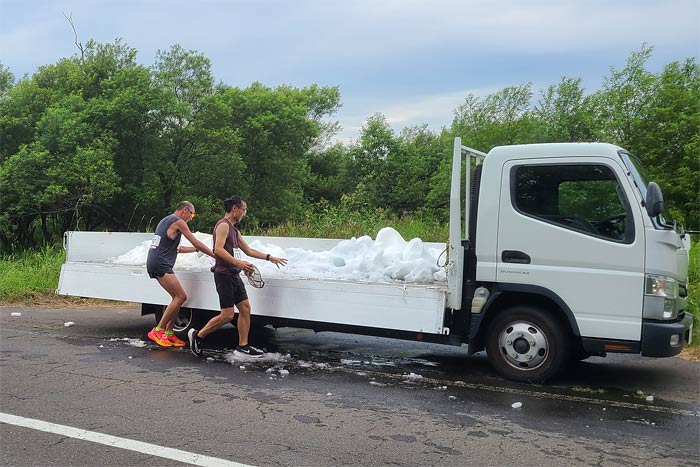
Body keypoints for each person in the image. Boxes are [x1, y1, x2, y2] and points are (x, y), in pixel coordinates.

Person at [188, 195, 287, 358]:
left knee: (245, 309)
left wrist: (270, 257)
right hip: (224, 275)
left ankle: (243, 346)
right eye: (244, 210)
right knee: (227, 315)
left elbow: (249, 251)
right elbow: (218, 250)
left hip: (234, 275)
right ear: (235, 208)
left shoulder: (234, 230)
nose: (244, 213)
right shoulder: (223, 225)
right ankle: (198, 336)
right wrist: (239, 264)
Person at [146, 201, 215, 347]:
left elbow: (178, 248)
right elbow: (196, 242)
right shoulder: (178, 221)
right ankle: (158, 330)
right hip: (160, 264)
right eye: (192, 214)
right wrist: (215, 255)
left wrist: (195, 251)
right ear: (185, 210)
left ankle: (169, 333)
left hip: (156, 261)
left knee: (176, 298)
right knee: (181, 296)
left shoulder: (166, 221)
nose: (191, 218)